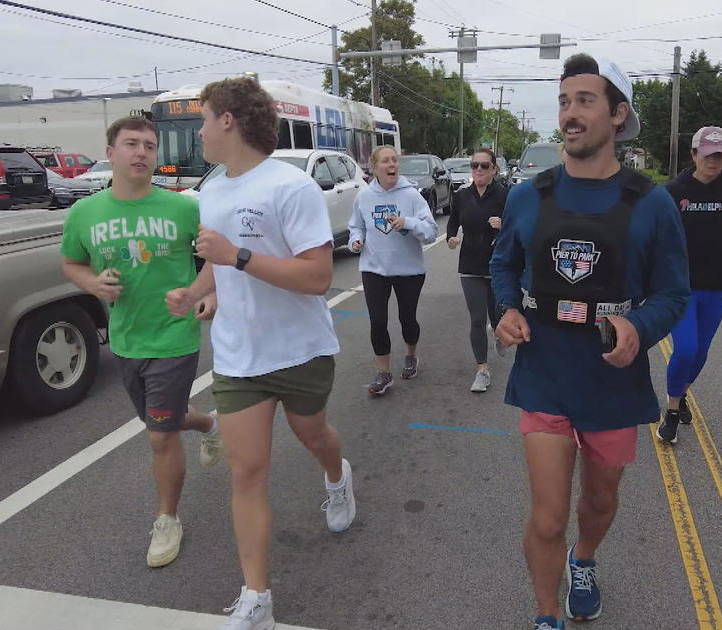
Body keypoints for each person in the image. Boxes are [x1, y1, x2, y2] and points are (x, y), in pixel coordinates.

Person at [491, 54, 690, 629]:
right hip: (545, 373)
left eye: (584, 101)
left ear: (617, 114)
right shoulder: (530, 195)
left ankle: (585, 559)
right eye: (564, 101)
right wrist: (505, 309)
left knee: (598, 502)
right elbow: (504, 266)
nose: (570, 114)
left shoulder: (651, 203)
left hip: (611, 381)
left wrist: (639, 326)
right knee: (548, 517)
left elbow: (673, 295)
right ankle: (547, 616)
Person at [164, 77, 356, 630]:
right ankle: (257, 598)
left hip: (299, 350)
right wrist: (196, 292)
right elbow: (217, 261)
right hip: (239, 356)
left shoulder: (290, 188)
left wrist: (237, 255)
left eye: (203, 119)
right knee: (246, 471)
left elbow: (317, 276)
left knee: (314, 436)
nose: (199, 131)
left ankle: (336, 475)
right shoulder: (215, 189)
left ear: (228, 121)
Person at [60, 116, 222, 570]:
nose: (142, 153)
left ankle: (167, 518)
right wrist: (94, 284)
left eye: (150, 146)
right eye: (131, 144)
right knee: (162, 420)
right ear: (110, 152)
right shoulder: (85, 213)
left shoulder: (184, 208)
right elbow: (71, 264)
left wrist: (203, 294)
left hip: (174, 337)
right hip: (125, 339)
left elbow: (218, 258)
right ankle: (209, 425)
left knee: (158, 434)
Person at [656, 126, 722, 443]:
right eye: (707, 155)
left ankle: (682, 392)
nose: (713, 162)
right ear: (694, 155)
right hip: (680, 287)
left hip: (717, 287)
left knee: (700, 353)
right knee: (685, 348)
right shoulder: (674, 192)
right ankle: (672, 412)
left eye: (719, 156)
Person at [347, 145, 439, 396]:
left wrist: (408, 223)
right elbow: (356, 227)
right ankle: (383, 373)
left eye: (395, 161)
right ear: (374, 167)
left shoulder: (411, 196)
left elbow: (431, 231)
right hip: (374, 269)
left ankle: (411, 355)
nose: (392, 165)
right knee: (377, 321)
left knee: (406, 319)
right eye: (386, 161)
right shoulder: (364, 197)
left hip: (408, 270)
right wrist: (355, 241)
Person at [446, 146, 510, 392]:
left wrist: (503, 224)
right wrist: (452, 238)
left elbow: (518, 228)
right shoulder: (462, 196)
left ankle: (498, 329)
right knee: (476, 319)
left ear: (494, 169)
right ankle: (482, 370)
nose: (479, 170)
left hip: (498, 266)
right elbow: (452, 222)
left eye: (485, 166)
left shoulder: (505, 195)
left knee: (498, 317)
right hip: (471, 265)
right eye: (475, 165)